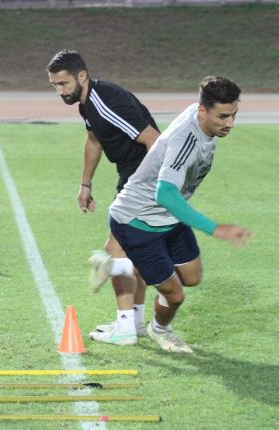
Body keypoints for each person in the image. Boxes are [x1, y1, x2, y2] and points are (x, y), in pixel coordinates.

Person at [109, 76, 251, 353]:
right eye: (222, 116)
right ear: (202, 111)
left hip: (169, 217)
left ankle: (123, 264)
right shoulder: (185, 141)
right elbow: (165, 194)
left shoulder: (201, 113)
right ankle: (159, 329)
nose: (230, 123)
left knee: (192, 277)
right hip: (139, 221)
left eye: (234, 115)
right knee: (175, 295)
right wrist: (215, 228)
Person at [47, 50, 160, 346]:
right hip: (135, 177)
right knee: (131, 251)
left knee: (115, 251)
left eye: (63, 84)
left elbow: (154, 141)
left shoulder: (106, 100)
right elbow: (94, 140)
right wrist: (85, 184)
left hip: (142, 178)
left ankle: (123, 329)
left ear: (81, 76)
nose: (59, 91)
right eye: (55, 86)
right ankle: (133, 321)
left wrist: (147, 187)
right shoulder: (87, 105)